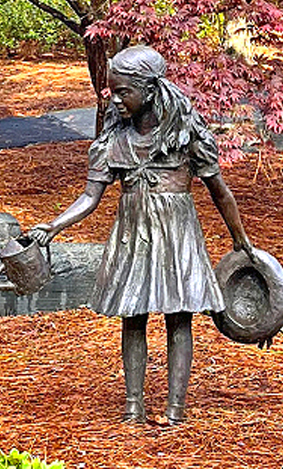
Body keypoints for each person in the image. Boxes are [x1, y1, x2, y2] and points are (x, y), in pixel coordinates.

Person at [29, 45, 252, 424]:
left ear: (149, 90)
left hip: (177, 233)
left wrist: (240, 238)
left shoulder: (186, 134)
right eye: (111, 92)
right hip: (133, 235)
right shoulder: (114, 141)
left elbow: (220, 192)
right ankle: (133, 404)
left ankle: (175, 408)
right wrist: (53, 225)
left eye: (123, 92)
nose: (114, 100)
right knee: (132, 315)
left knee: (179, 317)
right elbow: (89, 197)